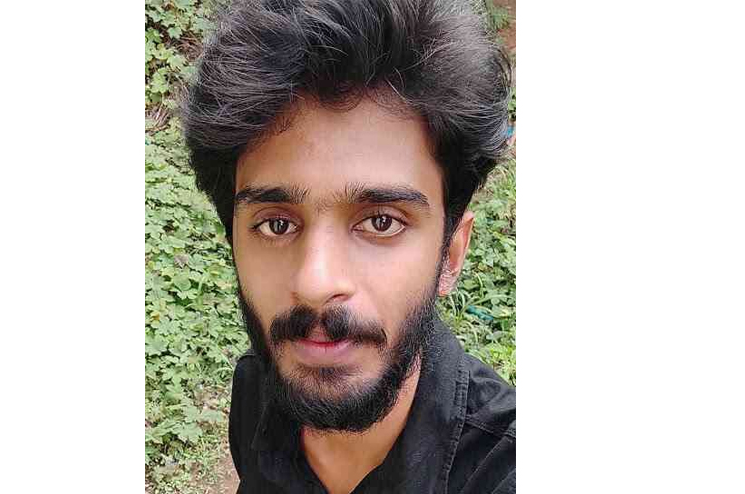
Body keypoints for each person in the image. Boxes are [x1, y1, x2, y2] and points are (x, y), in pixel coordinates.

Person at [182, 0, 515, 492]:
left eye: (381, 222)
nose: (315, 283)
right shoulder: (256, 390)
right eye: (276, 225)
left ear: (450, 254)